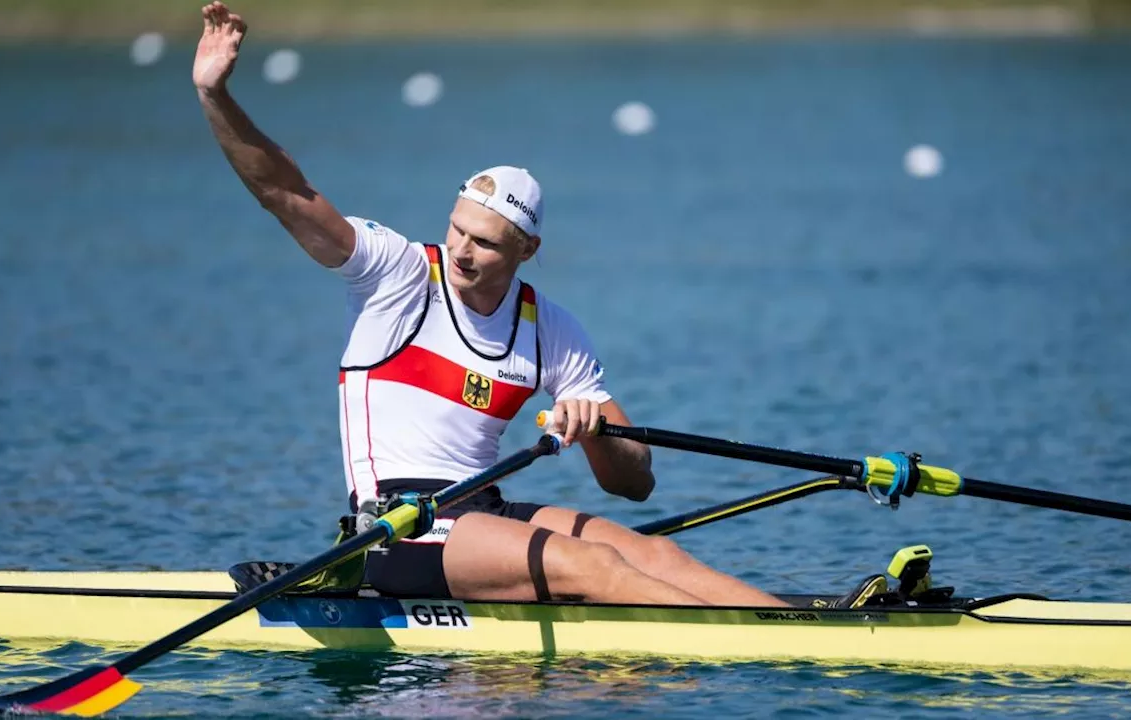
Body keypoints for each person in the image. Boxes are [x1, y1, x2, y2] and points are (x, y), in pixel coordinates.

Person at [191, 2, 804, 608]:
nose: (460, 250)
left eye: (484, 242)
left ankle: (795, 628)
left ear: (527, 249)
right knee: (591, 564)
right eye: (457, 229)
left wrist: (595, 434)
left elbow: (635, 482)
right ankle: (747, 647)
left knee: (656, 556)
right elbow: (286, 192)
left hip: (483, 514)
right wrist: (216, 95)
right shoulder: (398, 274)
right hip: (399, 526)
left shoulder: (549, 329)